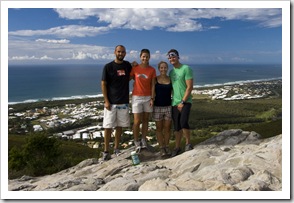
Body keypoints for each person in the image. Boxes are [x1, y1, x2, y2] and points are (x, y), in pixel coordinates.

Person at [101, 45, 132, 161]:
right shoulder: (108, 67)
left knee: (119, 126)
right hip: (111, 103)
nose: (121, 54)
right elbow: (103, 84)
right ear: (115, 52)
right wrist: (106, 100)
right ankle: (106, 151)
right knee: (108, 127)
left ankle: (116, 148)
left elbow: (130, 76)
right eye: (119, 51)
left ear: (125, 53)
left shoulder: (127, 65)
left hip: (123, 102)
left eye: (123, 52)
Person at [167, 49, 194, 157]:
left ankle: (188, 143)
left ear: (178, 57)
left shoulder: (186, 68)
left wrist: (183, 101)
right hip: (174, 102)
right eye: (170, 57)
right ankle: (177, 147)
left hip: (185, 101)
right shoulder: (171, 72)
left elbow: (189, 87)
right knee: (177, 126)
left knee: (183, 122)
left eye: (173, 56)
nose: (172, 59)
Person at [130, 49, 156, 152]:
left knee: (146, 120)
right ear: (140, 57)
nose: (145, 58)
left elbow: (153, 84)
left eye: (147, 56)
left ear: (149, 57)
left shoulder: (152, 70)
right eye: (143, 56)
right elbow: (130, 78)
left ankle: (144, 140)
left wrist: (152, 98)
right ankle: (136, 141)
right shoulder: (135, 68)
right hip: (136, 97)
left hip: (148, 97)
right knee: (137, 121)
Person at [153, 61, 172, 156]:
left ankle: (167, 146)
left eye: (165, 67)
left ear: (167, 68)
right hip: (157, 107)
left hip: (168, 106)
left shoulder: (170, 79)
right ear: (159, 69)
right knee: (159, 128)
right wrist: (152, 100)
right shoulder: (155, 79)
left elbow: (173, 92)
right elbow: (153, 92)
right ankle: (161, 148)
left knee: (167, 128)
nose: (163, 69)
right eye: (161, 68)